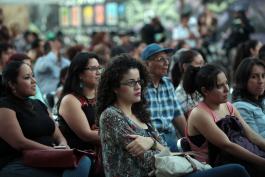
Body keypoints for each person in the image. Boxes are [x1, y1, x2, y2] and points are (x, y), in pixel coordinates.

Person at [96, 54, 251, 177]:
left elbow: (165, 149)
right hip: (161, 172)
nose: (138, 87)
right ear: (115, 87)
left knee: (237, 169)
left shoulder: (140, 113)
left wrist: (151, 142)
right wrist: (156, 146)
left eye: (139, 81)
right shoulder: (111, 116)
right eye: (131, 83)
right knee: (236, 170)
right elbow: (150, 161)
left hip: (169, 171)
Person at [0, 60, 91, 177]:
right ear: (12, 84)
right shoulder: (4, 106)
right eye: (27, 78)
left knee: (84, 161)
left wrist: (63, 145)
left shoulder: (38, 104)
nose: (34, 81)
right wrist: (51, 150)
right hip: (20, 161)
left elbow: (56, 132)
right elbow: (19, 142)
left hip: (48, 156)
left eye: (33, 76)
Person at [183, 64, 265, 177]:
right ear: (205, 91)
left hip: (235, 158)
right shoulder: (199, 114)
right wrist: (262, 162)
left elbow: (251, 135)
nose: (226, 89)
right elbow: (227, 145)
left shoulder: (228, 106)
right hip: (212, 167)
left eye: (226, 83)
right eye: (219, 86)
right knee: (239, 170)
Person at [141, 43, 186, 152]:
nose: (166, 63)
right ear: (147, 64)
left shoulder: (167, 83)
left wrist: (191, 140)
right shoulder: (140, 87)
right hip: (151, 139)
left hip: (170, 136)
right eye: (160, 59)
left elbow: (177, 115)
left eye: (167, 59)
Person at [233, 58, 265, 138]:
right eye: (254, 77)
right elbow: (255, 141)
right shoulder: (241, 107)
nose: (261, 81)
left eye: (263, 76)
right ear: (243, 80)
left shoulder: (262, 100)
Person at [171, 49, 205, 117]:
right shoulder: (179, 94)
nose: (203, 67)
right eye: (199, 63)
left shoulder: (203, 86)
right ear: (185, 67)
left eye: (203, 63)